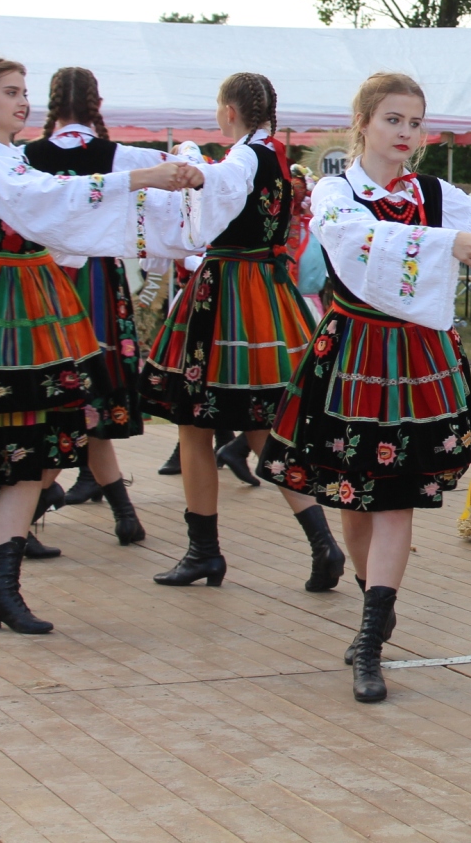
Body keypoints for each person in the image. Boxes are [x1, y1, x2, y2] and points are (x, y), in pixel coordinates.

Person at [258, 72, 471, 703]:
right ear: (363, 122)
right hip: (353, 356)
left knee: (393, 499)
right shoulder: (336, 191)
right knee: (354, 498)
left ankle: (369, 639)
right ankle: (375, 607)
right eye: (393, 119)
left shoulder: (435, 194)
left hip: (415, 361)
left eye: (415, 123)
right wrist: (450, 243)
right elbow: (354, 238)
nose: (406, 133)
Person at [0, 58, 200, 632]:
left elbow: (63, 218)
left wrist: (166, 187)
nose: (22, 101)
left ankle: (2, 589)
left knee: (36, 447)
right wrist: (140, 177)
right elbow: (44, 197)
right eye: (10, 92)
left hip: (37, 299)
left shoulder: (14, 157)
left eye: (24, 92)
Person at [139, 73, 345, 595]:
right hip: (265, 295)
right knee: (261, 422)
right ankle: (321, 542)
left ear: (229, 112)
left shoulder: (244, 157)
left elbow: (224, 184)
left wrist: (194, 169)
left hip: (227, 291)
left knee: (195, 424)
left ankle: (204, 551)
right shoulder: (275, 154)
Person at [20, 67, 170, 547]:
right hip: (99, 282)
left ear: (49, 103)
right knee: (91, 395)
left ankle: (30, 516)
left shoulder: (26, 157)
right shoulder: (117, 155)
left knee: (61, 399)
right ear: (96, 103)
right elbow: (180, 168)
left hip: (46, 283)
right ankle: (123, 515)